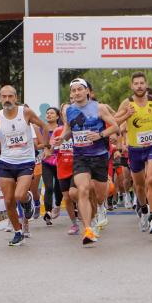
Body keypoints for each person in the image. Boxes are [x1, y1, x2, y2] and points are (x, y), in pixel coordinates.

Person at [0, 85, 47, 247]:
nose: (7, 99)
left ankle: (28, 202)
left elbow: (44, 125)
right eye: (4, 96)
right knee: (8, 200)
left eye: (10, 96)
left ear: (16, 97)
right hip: (6, 162)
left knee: (19, 195)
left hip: (26, 161)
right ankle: (18, 232)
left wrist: (47, 146)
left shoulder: (25, 112)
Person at [61, 78, 120, 246]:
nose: (77, 93)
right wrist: (61, 138)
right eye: (73, 90)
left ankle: (101, 207)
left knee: (100, 196)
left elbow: (115, 127)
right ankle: (87, 229)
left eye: (80, 89)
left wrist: (100, 135)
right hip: (80, 157)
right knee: (83, 189)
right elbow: (68, 130)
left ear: (87, 91)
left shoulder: (98, 107)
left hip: (100, 156)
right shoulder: (69, 111)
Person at [114, 72, 152, 233]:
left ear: (146, 85)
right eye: (136, 83)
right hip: (134, 149)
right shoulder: (127, 103)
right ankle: (144, 211)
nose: (139, 86)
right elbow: (114, 121)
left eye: (141, 83)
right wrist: (127, 115)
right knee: (139, 186)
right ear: (132, 86)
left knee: (151, 180)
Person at [40, 107, 64, 225]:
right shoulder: (42, 129)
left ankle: (58, 205)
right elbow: (38, 143)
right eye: (47, 113)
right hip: (47, 161)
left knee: (59, 187)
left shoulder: (62, 129)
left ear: (58, 116)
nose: (49, 115)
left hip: (60, 161)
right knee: (48, 187)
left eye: (52, 113)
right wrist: (44, 147)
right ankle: (48, 212)